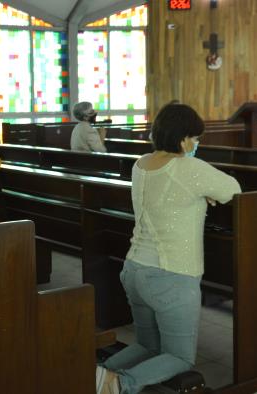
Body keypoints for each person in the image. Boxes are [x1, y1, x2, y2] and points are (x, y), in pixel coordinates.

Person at [95, 104, 241, 394]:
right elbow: (234, 190)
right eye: (195, 138)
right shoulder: (190, 168)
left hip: (135, 269)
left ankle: (98, 375)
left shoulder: (141, 164)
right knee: (180, 356)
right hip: (171, 275)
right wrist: (207, 193)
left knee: (146, 345)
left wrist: (201, 193)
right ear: (183, 138)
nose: (196, 144)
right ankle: (121, 384)